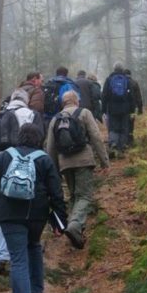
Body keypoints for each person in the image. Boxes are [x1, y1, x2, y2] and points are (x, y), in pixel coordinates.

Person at [0, 123, 68, 293]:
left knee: (18, 260)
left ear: (19, 137)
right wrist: (60, 221)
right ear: (39, 139)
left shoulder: (4, 157)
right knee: (34, 245)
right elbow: (57, 192)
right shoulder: (44, 159)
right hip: (37, 216)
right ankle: (37, 292)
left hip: (10, 216)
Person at [0, 88, 44, 275]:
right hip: (25, 165)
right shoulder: (30, 114)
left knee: (2, 206)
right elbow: (37, 139)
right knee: (26, 204)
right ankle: (24, 249)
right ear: (26, 100)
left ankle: (2, 255)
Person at [45, 90, 109, 250]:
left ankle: (75, 231)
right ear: (76, 101)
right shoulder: (84, 113)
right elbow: (96, 137)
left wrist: (53, 171)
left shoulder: (55, 119)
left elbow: (50, 147)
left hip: (64, 162)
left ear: (63, 103)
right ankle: (75, 225)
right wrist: (104, 162)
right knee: (85, 196)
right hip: (84, 160)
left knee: (74, 196)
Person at [102, 62, 134, 155]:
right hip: (125, 108)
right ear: (122, 69)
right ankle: (122, 146)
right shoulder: (127, 80)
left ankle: (113, 144)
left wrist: (103, 109)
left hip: (112, 108)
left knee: (113, 127)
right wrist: (132, 109)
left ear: (114, 69)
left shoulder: (109, 79)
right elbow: (131, 96)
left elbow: (104, 95)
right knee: (124, 127)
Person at [124, 68, 143, 146]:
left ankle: (124, 140)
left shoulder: (123, 82)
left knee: (124, 122)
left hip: (123, 106)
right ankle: (130, 139)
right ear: (130, 74)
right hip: (132, 107)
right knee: (131, 122)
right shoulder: (134, 83)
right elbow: (138, 96)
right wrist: (140, 108)